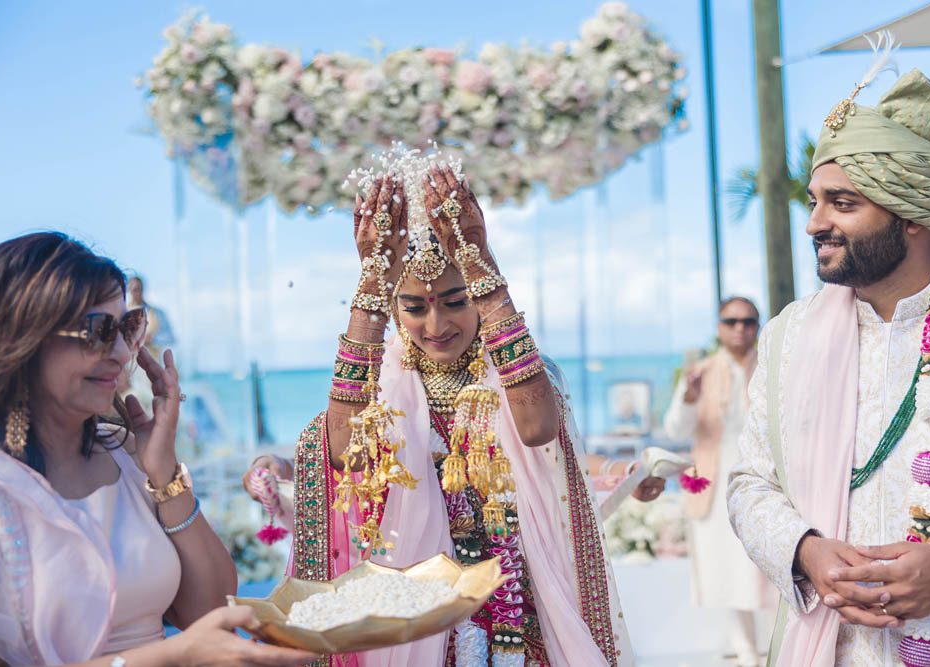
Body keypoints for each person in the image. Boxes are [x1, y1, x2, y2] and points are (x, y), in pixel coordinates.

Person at [244, 160, 665, 666]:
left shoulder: (520, 370)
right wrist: (372, 285)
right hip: (418, 620)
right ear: (395, 309)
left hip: (519, 612)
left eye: (454, 300)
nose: (436, 324)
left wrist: (481, 262)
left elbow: (537, 430)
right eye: (415, 307)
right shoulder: (380, 386)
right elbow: (343, 456)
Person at [0, 232, 317, 666]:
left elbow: (213, 611)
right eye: (98, 330)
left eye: (127, 327)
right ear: (20, 338)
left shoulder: (124, 456)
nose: (121, 353)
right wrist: (172, 658)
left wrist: (164, 471)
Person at [727, 69, 930, 666]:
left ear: (912, 215)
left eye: (843, 204)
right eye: (816, 202)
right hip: (831, 648)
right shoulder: (791, 335)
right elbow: (750, 482)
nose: (814, 224)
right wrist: (807, 551)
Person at [663, 296, 772, 666]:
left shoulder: (774, 367)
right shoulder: (702, 371)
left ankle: (775, 647)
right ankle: (747, 652)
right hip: (713, 481)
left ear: (758, 325)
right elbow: (675, 429)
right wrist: (691, 396)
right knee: (726, 567)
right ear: (718, 327)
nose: (740, 328)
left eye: (748, 321)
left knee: (764, 565)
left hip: (765, 479)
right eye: (731, 321)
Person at [128, 275, 176, 356]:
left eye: (138, 289)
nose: (136, 293)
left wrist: (153, 339)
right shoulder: (123, 314)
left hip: (152, 362)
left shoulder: (157, 313)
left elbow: (170, 337)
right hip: (128, 364)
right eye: (133, 290)